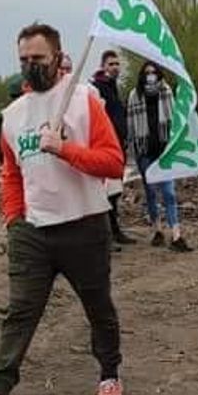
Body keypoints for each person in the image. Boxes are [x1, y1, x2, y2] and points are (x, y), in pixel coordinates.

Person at [0, 21, 125, 395]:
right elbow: (11, 173)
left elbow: (113, 162)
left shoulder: (85, 101)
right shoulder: (12, 116)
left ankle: (109, 374)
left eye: (38, 58)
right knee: (21, 311)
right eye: (24, 60)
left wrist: (65, 149)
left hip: (84, 224)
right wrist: (14, 218)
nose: (31, 66)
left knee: (97, 305)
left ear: (58, 58)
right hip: (33, 231)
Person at [127, 63, 191, 252]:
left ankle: (176, 233)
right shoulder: (134, 96)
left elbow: (175, 119)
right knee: (151, 193)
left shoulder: (167, 92)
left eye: (153, 72)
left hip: (165, 151)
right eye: (147, 73)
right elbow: (131, 125)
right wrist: (134, 151)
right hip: (145, 151)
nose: (151, 76)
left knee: (169, 193)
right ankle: (157, 229)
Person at [89, 48, 134, 247]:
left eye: (117, 64)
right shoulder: (97, 88)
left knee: (115, 191)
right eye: (111, 64)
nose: (115, 67)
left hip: (119, 145)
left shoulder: (114, 87)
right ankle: (107, 233)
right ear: (103, 66)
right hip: (106, 146)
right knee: (106, 191)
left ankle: (114, 230)